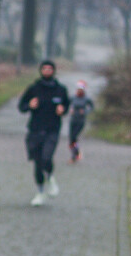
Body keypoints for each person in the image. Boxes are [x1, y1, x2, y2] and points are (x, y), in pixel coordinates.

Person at [16, 59, 70, 205]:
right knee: (37, 163)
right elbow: (21, 106)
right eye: (44, 68)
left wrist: (63, 110)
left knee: (47, 157)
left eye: (49, 69)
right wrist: (30, 105)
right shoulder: (34, 88)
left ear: (53, 71)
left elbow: (66, 105)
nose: (46, 71)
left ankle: (51, 178)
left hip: (52, 130)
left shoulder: (60, 89)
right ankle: (40, 192)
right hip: (35, 130)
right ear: (40, 71)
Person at [67, 80, 95, 163]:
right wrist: (70, 109)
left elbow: (92, 107)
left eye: (81, 90)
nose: (79, 91)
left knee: (74, 138)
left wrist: (85, 111)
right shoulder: (73, 97)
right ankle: (76, 153)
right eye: (78, 89)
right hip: (73, 120)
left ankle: (74, 156)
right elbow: (66, 104)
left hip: (81, 120)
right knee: (71, 139)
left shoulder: (87, 99)